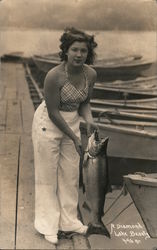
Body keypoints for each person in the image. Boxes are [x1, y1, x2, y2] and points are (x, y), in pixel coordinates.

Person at [32, 27, 98, 245]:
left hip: (72, 122)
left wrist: (89, 121)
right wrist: (74, 136)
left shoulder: (91, 74)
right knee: (47, 176)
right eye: (74, 50)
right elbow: (52, 113)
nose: (79, 55)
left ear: (88, 53)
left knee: (70, 175)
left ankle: (69, 221)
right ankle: (47, 225)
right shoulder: (54, 76)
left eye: (83, 51)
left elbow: (85, 103)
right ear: (65, 51)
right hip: (48, 124)